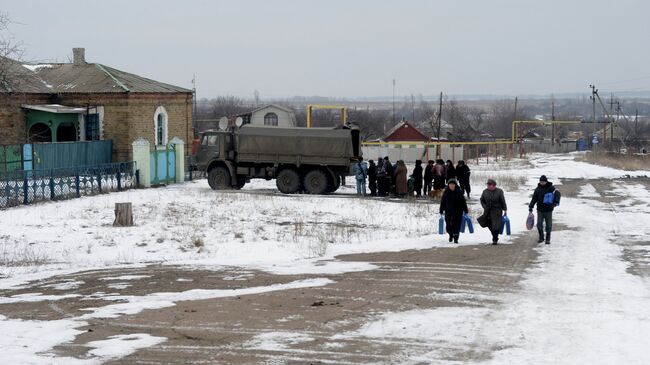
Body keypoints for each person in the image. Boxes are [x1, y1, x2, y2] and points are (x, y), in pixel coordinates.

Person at [529, 175, 557, 244]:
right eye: (541, 182)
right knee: (539, 224)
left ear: (546, 181)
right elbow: (534, 198)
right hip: (540, 210)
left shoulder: (551, 188)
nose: (542, 183)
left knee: (548, 225)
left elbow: (557, 194)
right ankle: (541, 237)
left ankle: (548, 239)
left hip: (548, 210)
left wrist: (555, 203)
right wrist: (531, 206)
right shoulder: (537, 189)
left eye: (543, 182)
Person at [439, 179, 469, 243]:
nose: (451, 186)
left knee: (457, 225)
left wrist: (465, 210)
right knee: (448, 225)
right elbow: (443, 202)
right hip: (448, 211)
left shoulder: (459, 192)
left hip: (458, 211)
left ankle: (456, 238)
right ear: (448, 185)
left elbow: (463, 202)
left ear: (455, 185)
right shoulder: (446, 192)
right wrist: (441, 210)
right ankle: (450, 234)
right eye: (450, 184)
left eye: (453, 184)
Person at [479, 179, 508, 245]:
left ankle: (495, 239)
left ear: (494, 185)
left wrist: (505, 209)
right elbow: (482, 200)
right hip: (487, 211)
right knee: (488, 223)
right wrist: (484, 206)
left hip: (497, 211)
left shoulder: (499, 191)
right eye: (488, 184)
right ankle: (495, 235)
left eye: (490, 184)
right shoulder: (485, 191)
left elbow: (502, 201)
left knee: (496, 225)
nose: (489, 186)